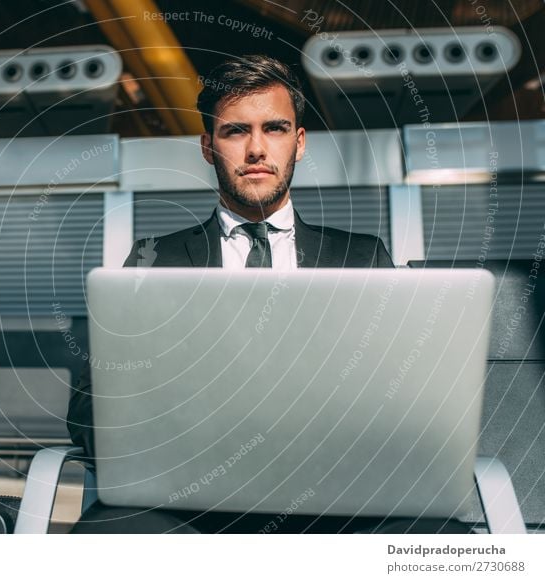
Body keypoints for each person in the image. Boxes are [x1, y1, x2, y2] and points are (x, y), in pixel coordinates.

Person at [65, 55, 461, 533]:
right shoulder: (153, 261)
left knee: (440, 539)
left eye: (274, 128)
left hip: (334, 499)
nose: (256, 149)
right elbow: (90, 408)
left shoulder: (361, 258)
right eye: (235, 131)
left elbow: (404, 402)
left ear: (298, 142)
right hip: (191, 504)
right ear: (208, 147)